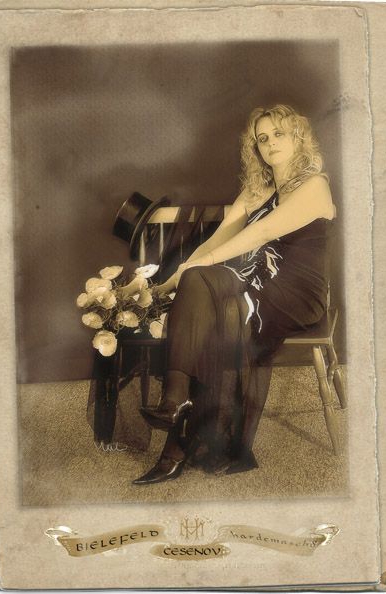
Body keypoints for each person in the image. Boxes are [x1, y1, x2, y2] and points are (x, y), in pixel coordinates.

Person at [130, 104, 336, 484]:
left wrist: (202, 265)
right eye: (262, 138)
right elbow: (216, 241)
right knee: (200, 286)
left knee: (220, 307)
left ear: (297, 137)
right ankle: (174, 401)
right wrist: (169, 282)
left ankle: (179, 446)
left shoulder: (314, 185)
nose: (270, 143)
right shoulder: (256, 191)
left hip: (296, 291)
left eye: (278, 134)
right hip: (254, 280)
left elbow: (261, 233)